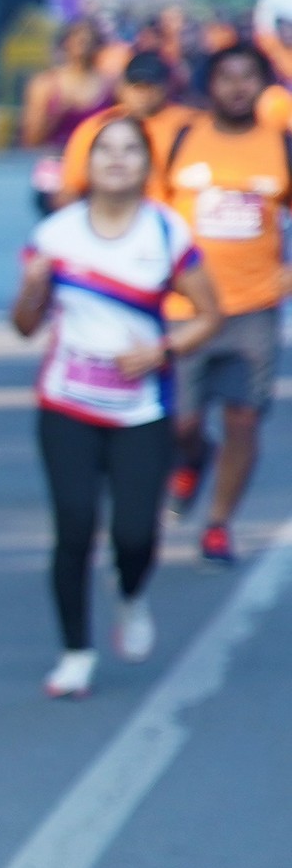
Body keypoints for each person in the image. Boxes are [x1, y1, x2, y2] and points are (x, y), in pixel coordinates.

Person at [12, 115, 222, 697]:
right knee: (74, 526)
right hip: (66, 405)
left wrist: (162, 350)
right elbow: (24, 325)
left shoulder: (166, 233)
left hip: (140, 411)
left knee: (134, 535)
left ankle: (129, 594)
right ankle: (75, 653)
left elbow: (210, 315)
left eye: (131, 150)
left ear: (147, 165)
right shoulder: (57, 235)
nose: (117, 159)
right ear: (89, 163)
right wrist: (32, 288)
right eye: (106, 149)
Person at [154, 42, 292, 562]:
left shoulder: (280, 145)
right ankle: (192, 457)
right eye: (227, 77)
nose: (237, 87)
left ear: (263, 85)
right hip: (186, 309)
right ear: (209, 85)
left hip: (254, 308)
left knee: (244, 418)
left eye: (248, 76)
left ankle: (218, 523)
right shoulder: (182, 140)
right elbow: (152, 215)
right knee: (180, 422)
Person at [53, 51, 185, 209]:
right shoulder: (98, 126)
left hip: (169, 212)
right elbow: (70, 189)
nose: (142, 93)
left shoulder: (187, 124)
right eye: (136, 86)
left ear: (166, 86)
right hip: (112, 213)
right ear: (122, 87)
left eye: (149, 86)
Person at [23, 20, 115, 214]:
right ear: (65, 43)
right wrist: (57, 115)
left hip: (94, 169)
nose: (83, 45)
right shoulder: (46, 84)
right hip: (56, 167)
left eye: (89, 40)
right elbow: (32, 139)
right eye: (78, 39)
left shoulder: (110, 84)